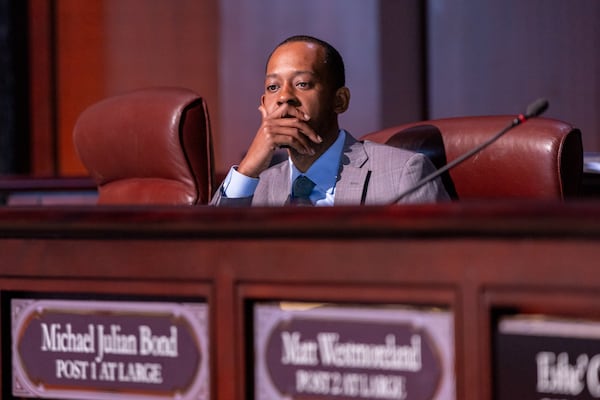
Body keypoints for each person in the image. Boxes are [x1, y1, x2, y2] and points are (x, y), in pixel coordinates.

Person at [211, 35, 449, 206]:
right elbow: (209, 257)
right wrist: (247, 171)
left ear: (340, 100)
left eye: (302, 84)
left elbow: (436, 268)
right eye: (273, 87)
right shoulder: (254, 186)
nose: (284, 97)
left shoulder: (403, 175)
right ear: (263, 105)